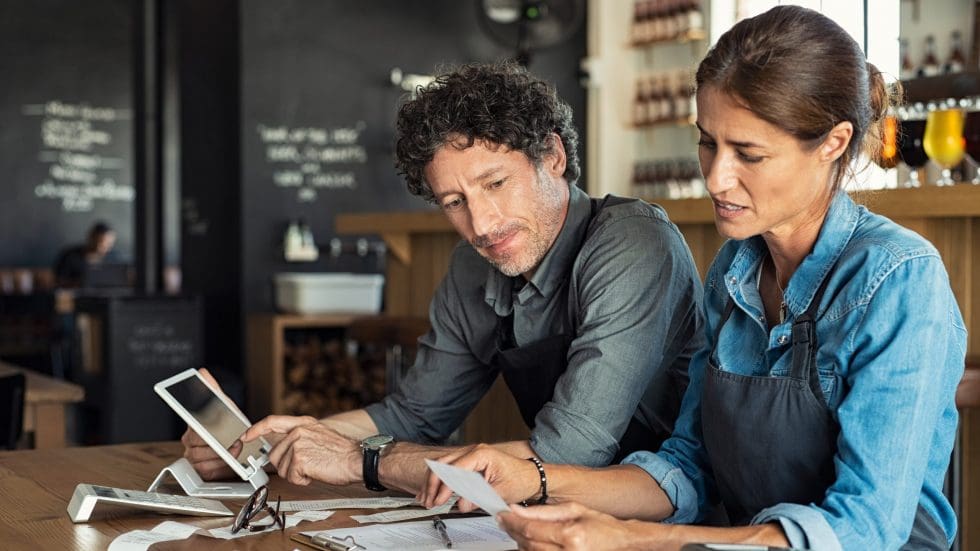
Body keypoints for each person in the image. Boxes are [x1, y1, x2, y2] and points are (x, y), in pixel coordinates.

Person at [420, 7, 966, 550]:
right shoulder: (735, 270)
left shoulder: (899, 279)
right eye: (708, 142)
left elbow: (866, 528)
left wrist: (633, 539)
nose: (716, 176)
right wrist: (536, 479)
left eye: (748, 153)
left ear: (833, 143)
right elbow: (688, 465)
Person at [183, 62, 705, 493]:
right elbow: (415, 413)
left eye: (496, 183)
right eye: (454, 202)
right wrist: (275, 441)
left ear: (553, 157)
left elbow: (568, 452)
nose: (481, 225)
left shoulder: (632, 244)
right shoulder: (472, 265)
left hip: (673, 513)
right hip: (562, 516)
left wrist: (361, 462)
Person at [52, 221, 117, 288]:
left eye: (109, 244)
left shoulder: (113, 258)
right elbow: (58, 281)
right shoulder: (70, 256)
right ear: (92, 237)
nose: (105, 246)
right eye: (101, 241)